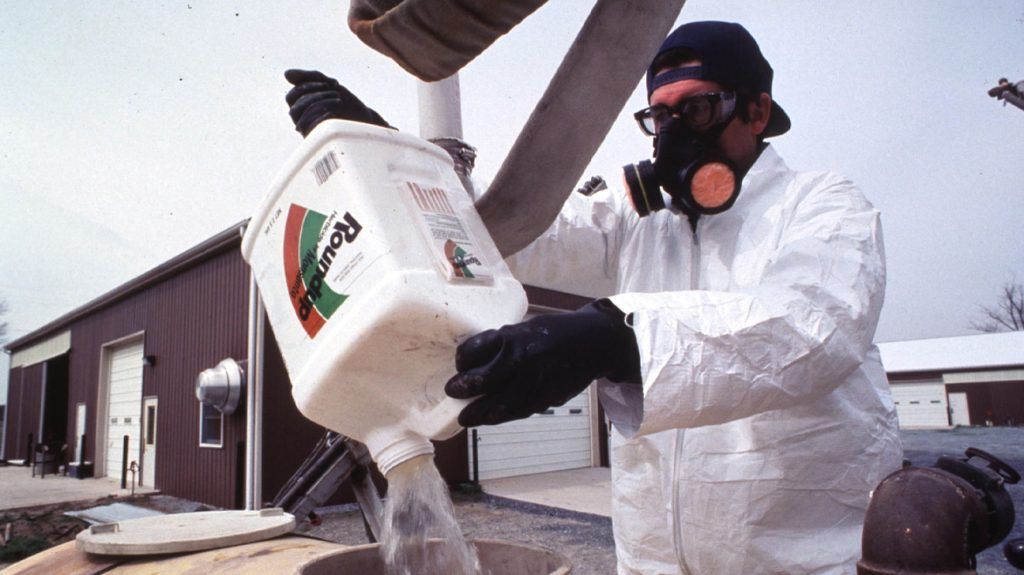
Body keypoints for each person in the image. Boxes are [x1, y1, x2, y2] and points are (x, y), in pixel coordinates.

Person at [284, 20, 902, 574]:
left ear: (758, 112)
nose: (673, 134)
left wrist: (617, 337)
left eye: (700, 111)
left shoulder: (822, 205)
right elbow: (505, 230)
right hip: (653, 560)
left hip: (804, 560)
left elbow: (812, 328)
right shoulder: (639, 222)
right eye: (660, 118)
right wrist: (388, 152)